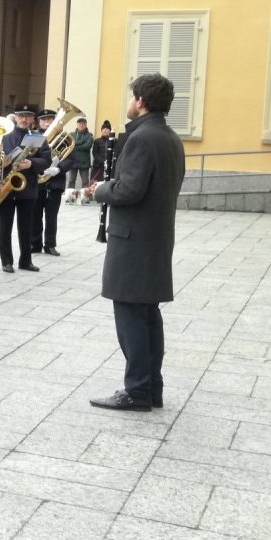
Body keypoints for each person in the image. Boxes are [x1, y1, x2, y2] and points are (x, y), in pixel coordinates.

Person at [86, 73, 185, 411]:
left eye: (132, 97)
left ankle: (137, 391)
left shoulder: (142, 138)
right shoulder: (170, 137)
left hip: (133, 241)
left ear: (141, 102)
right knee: (147, 317)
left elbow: (129, 190)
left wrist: (98, 189)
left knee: (130, 318)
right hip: (155, 238)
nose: (129, 103)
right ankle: (151, 388)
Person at [0, 105, 51, 274]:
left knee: (26, 227)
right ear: (16, 117)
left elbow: (47, 160)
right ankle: (6, 261)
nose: (24, 119)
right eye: (21, 116)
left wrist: (32, 163)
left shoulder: (39, 137)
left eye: (27, 116)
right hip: (7, 185)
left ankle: (26, 260)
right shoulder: (4, 137)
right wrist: (3, 162)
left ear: (32, 119)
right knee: (5, 226)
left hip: (28, 186)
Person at [30, 109, 76, 257]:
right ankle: (35, 243)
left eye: (50, 119)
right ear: (39, 122)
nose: (47, 122)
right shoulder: (34, 137)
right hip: (38, 180)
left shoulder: (63, 138)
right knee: (35, 215)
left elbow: (71, 159)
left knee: (51, 216)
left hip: (55, 182)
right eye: (44, 120)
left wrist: (59, 169)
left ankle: (50, 245)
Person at [65, 117, 95, 204]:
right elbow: (68, 146)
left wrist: (75, 145)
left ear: (86, 125)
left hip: (84, 162)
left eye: (83, 124)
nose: (81, 125)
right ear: (77, 125)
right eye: (79, 123)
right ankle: (70, 197)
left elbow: (87, 146)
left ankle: (84, 198)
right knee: (71, 181)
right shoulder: (71, 134)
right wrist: (79, 144)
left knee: (85, 181)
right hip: (73, 161)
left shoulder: (90, 135)